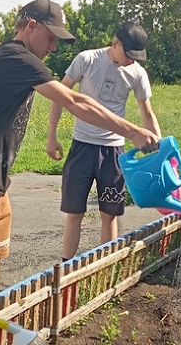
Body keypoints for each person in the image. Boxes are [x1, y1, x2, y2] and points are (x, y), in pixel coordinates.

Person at [0, 0, 160, 303]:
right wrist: (131, 131)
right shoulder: (17, 58)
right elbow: (75, 102)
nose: (54, 46)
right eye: (51, 37)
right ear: (32, 26)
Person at [46, 22, 161, 262]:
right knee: (74, 212)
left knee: (109, 213)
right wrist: (52, 134)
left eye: (137, 57)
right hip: (82, 148)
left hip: (113, 154)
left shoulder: (137, 73)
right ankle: (66, 267)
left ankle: (105, 267)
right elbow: (59, 95)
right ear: (115, 43)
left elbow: (147, 114)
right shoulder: (87, 60)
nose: (132, 61)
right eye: (129, 55)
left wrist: (158, 148)